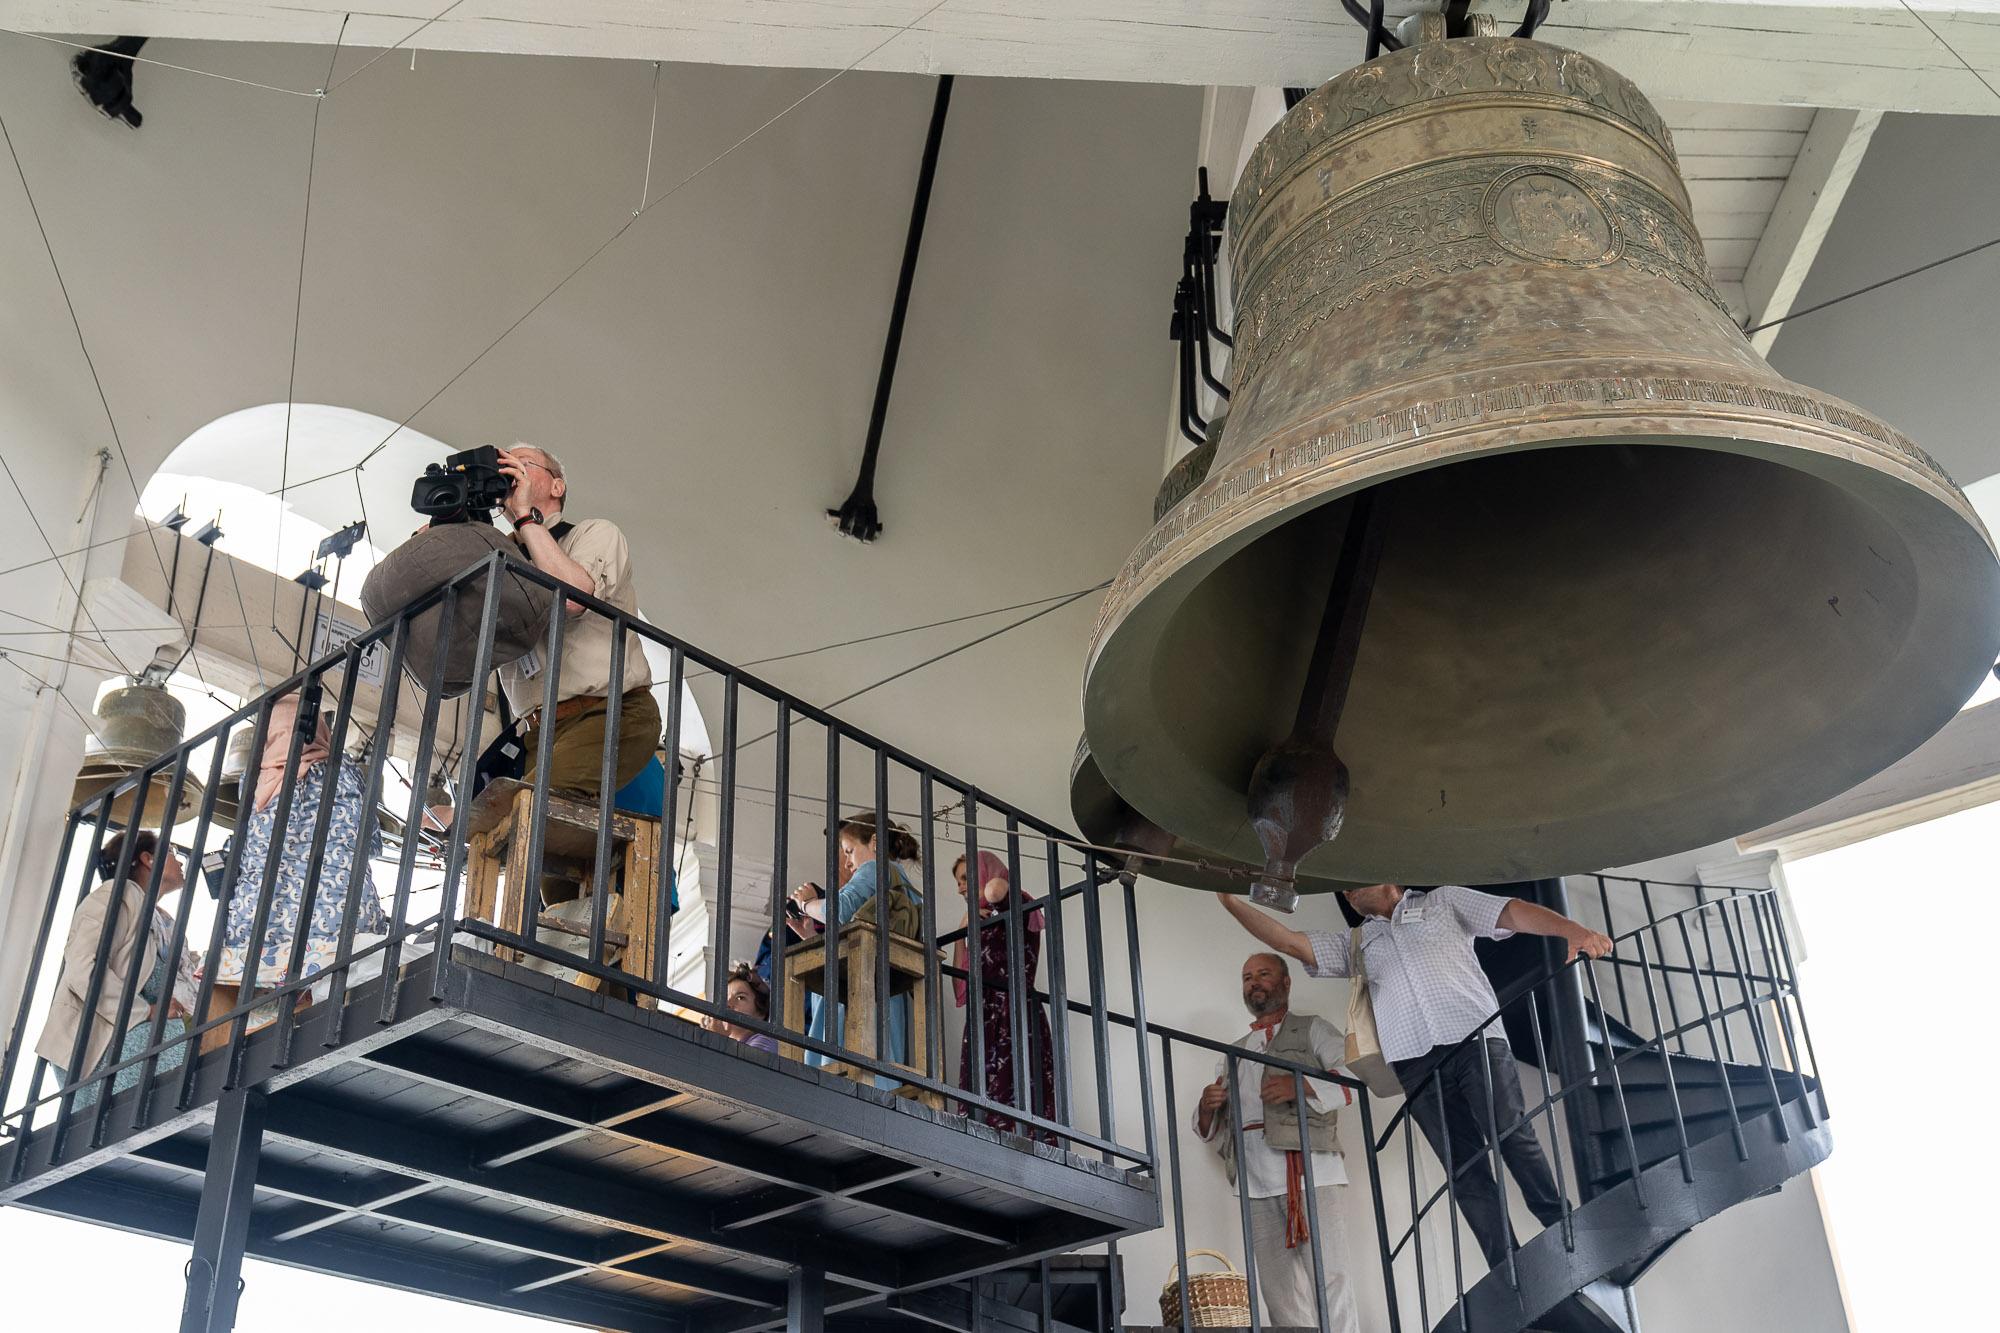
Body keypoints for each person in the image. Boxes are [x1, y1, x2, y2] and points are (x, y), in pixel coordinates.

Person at [1219, 884, 1613, 1272]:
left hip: (1475, 1040)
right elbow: (1288, 941)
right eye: (1341, 890)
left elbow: (1513, 911)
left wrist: (1574, 932)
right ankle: (1506, 1266)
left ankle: (1564, 1229)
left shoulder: (1444, 901)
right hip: (1415, 1065)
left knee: (1511, 1134)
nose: (1346, 892)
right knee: (1464, 1170)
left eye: (1353, 883)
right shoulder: (1357, 941)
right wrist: (1230, 900)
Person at [1192, 951, 1359, 1332]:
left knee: (1329, 1273)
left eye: (1263, 973)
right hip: (1254, 1177)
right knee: (1277, 1286)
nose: (1253, 982)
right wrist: (1206, 1106)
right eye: (1247, 976)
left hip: (1312, 1170)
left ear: (1286, 982)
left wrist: (1299, 1084)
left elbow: (1351, 1076)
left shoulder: (1313, 1028)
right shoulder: (1234, 1051)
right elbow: (1211, 1127)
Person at [494, 444, 660, 812]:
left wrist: (524, 517)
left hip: (608, 714)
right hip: (540, 733)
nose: (509, 471)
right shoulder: (497, 556)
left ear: (557, 487)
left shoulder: (595, 533)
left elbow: (572, 599)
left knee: (521, 812)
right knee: (534, 852)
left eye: (522, 464)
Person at [213, 691, 388, 1002]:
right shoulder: (343, 770)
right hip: (341, 924)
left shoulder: (251, 781)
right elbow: (371, 843)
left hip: (256, 930)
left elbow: (246, 845)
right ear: (319, 730)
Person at [36, 830, 200, 1107]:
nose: (181, 861)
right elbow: (84, 970)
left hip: (138, 1037)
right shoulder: (114, 896)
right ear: (148, 859)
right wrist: (146, 1011)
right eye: (172, 851)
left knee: (214, 1045)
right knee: (200, 1051)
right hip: (101, 1048)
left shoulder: (162, 921)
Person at [788, 812, 922, 1091]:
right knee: (881, 1052)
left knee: (838, 1054)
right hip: (885, 987)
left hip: (857, 983)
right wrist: (812, 935)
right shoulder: (907, 888)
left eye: (849, 851)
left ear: (874, 842)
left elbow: (840, 910)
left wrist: (807, 903)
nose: (848, 863)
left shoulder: (876, 869)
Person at [952, 850, 1055, 1142]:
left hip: (1014, 1010)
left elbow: (996, 889)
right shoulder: (979, 918)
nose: (960, 887)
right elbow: (960, 986)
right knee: (984, 1096)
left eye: (964, 878)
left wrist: (981, 895)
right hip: (984, 1016)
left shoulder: (1017, 901)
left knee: (1018, 1087)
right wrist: (964, 926)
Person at [704, 961, 779, 1053]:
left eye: (740, 997)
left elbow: (739, 1066)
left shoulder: (765, 1041)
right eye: (725, 998)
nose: (727, 1003)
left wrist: (718, 1040)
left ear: (761, 1012)